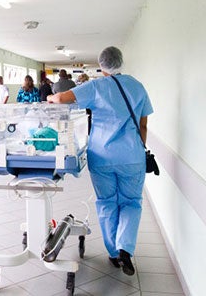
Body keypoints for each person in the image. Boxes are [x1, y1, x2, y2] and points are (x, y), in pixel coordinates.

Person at [47, 46, 153, 276]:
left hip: (102, 156)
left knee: (107, 202)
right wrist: (137, 148)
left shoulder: (96, 86)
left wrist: (50, 96)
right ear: (121, 62)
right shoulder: (137, 86)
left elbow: (62, 98)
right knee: (131, 202)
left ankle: (114, 254)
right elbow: (143, 125)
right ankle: (126, 248)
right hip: (132, 157)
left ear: (102, 64)